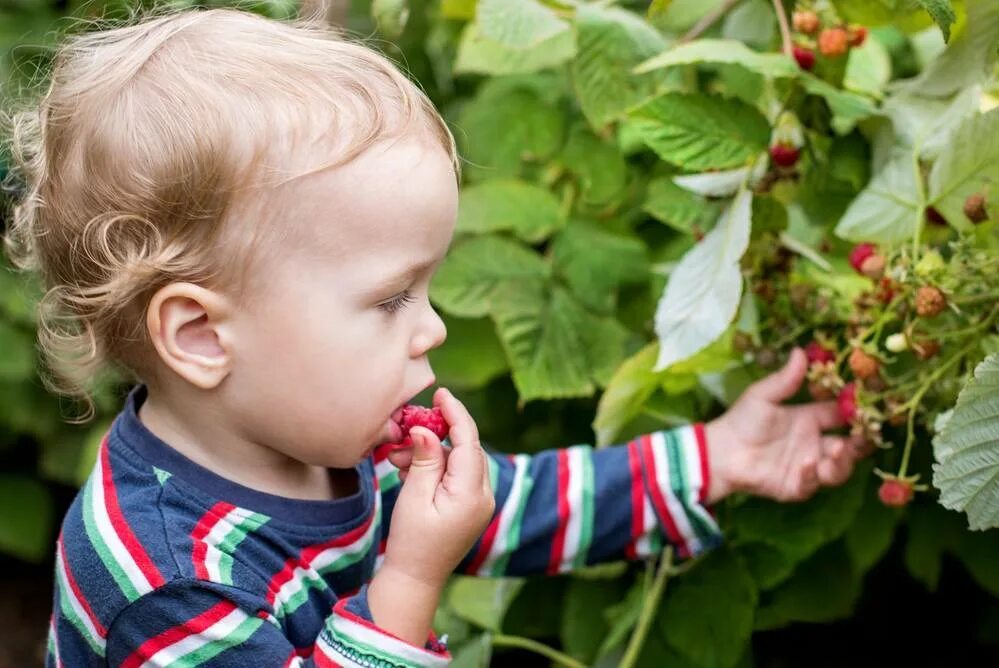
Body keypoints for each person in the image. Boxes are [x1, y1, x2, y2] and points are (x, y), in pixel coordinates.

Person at [2, 8, 869, 667]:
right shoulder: (161, 573)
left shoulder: (322, 433)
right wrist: (410, 581)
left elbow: (500, 504)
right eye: (388, 299)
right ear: (199, 335)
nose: (435, 327)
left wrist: (716, 458)